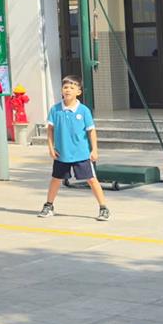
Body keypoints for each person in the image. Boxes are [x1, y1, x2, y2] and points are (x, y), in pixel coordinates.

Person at [41, 75, 110, 221]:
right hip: (62, 154)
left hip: (81, 154)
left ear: (78, 92)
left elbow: (91, 131)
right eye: (65, 87)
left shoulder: (84, 111)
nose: (68, 90)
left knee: (92, 180)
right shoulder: (55, 110)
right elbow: (50, 130)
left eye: (72, 88)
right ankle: (48, 206)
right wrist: (51, 148)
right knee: (55, 180)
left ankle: (103, 208)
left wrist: (94, 150)